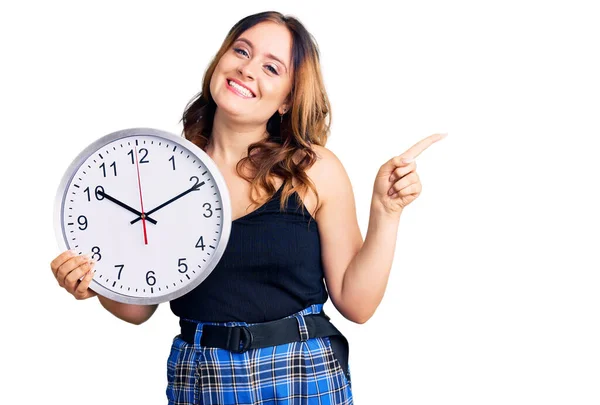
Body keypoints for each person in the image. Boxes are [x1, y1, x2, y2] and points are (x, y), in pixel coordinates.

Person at [50, 11, 445, 404]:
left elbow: (357, 305)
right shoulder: (159, 171)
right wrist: (95, 283)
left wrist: (386, 211)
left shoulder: (315, 170)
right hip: (201, 376)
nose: (247, 69)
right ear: (220, 60)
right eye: (241, 50)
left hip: (301, 373)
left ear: (288, 100)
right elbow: (137, 310)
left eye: (271, 67)